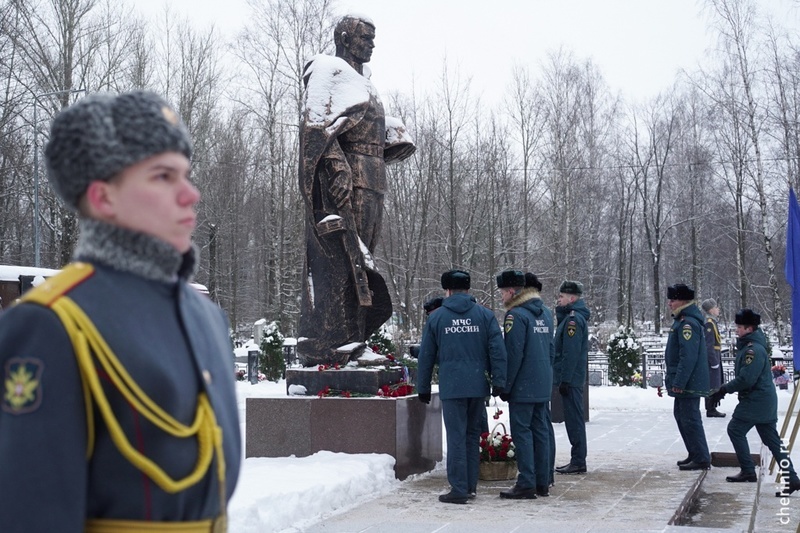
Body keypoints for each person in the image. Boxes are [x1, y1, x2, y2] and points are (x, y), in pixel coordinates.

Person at [0, 91, 241, 531]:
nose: (191, 194)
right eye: (164, 176)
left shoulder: (206, 317)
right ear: (103, 197)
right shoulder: (49, 322)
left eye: (186, 174)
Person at [297, 14, 415, 365]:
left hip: (373, 182)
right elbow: (316, 127)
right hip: (350, 183)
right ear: (346, 38)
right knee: (344, 260)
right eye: (366, 37)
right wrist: (335, 166)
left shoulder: (365, 84)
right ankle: (338, 344)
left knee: (362, 262)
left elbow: (361, 127)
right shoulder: (328, 70)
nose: (372, 44)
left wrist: (392, 135)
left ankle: (355, 338)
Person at [417, 270, 507, 504]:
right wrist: (499, 380)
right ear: (468, 289)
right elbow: (497, 350)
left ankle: (458, 489)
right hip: (477, 385)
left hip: (452, 385)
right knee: (471, 436)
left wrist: (423, 386)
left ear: (446, 290)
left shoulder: (437, 318)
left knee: (456, 437)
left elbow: (426, 355)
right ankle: (470, 486)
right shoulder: (484, 316)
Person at [709, 309, 800, 495]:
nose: (736, 331)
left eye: (739, 327)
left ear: (749, 328)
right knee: (772, 440)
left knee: (735, 429)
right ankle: (792, 478)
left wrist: (723, 389)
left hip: (756, 400)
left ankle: (748, 471)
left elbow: (746, 379)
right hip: (763, 400)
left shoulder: (753, 350)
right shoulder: (752, 346)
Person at [496, 270, 554, 499]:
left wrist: (505, 385)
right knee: (540, 431)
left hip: (523, 386)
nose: (501, 297)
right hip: (541, 383)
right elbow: (550, 350)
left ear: (512, 291)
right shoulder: (546, 313)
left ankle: (526, 482)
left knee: (522, 433)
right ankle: (542, 482)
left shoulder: (516, 316)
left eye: (502, 292)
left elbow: (513, 355)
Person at [665, 283, 711, 471]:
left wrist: (680, 382)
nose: (669, 303)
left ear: (683, 301)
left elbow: (688, 356)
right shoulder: (682, 320)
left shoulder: (687, 323)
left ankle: (701, 457)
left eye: (673, 300)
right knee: (682, 416)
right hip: (685, 381)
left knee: (690, 418)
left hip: (689, 382)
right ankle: (694, 453)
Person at [553, 280, 590, 475]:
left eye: (561, 297)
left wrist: (565, 379)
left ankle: (578, 460)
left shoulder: (573, 320)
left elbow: (570, 352)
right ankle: (577, 459)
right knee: (572, 418)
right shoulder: (569, 317)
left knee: (574, 419)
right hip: (571, 378)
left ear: (572, 298)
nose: (558, 300)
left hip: (571, 379)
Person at [701, 298, 726, 418]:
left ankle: (713, 407)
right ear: (711, 310)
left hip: (716, 355)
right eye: (716, 307)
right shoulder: (709, 323)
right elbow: (708, 344)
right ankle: (710, 408)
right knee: (712, 383)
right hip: (713, 356)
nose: (718, 309)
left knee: (716, 382)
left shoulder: (712, 322)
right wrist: (713, 360)